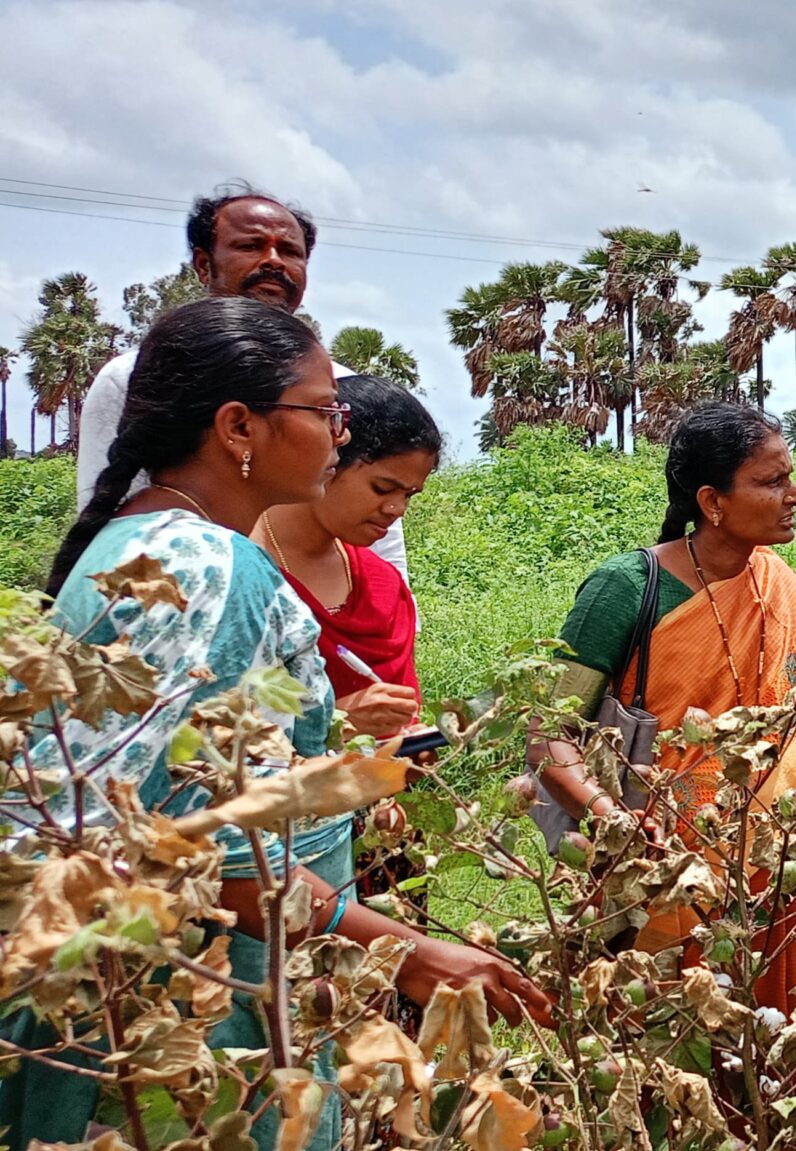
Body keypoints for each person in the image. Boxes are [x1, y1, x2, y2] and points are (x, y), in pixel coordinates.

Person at [7, 299, 546, 1150]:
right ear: (237, 426)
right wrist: (405, 949)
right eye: (324, 410)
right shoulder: (214, 566)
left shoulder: (142, 541)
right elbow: (202, 853)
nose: (340, 432)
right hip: (197, 1020)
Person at [534, 401, 796, 1008]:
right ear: (712, 502)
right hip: (663, 861)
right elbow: (549, 734)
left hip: (785, 863)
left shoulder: (780, 583)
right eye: (772, 481)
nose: (795, 495)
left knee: (777, 1048)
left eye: (789, 476)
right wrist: (613, 819)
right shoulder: (626, 589)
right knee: (671, 1042)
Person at [76, 181, 407, 574]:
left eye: (290, 251)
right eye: (250, 246)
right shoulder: (132, 377)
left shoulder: (343, 388)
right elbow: (113, 516)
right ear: (203, 264)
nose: (273, 261)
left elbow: (383, 544)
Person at [251, 374, 443, 921]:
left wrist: (412, 742)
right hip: (275, 849)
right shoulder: (247, 573)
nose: (397, 510)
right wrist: (336, 720)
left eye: (410, 495)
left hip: (384, 830)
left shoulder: (383, 584)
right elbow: (221, 737)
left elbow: (402, 710)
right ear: (326, 459)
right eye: (383, 488)